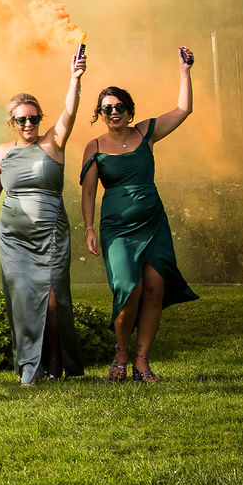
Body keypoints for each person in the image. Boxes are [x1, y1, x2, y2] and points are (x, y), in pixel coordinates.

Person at [0, 50, 87, 385]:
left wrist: (76, 78)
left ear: (40, 119)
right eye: (21, 120)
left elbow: (70, 112)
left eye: (33, 118)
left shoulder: (53, 143)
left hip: (50, 232)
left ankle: (56, 362)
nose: (28, 124)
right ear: (11, 123)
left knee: (54, 303)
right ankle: (31, 369)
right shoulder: (2, 152)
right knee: (23, 301)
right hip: (13, 236)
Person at [80, 50, 200, 383]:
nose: (113, 112)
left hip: (153, 223)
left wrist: (184, 71)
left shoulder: (146, 132)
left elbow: (183, 109)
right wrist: (89, 227)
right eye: (107, 108)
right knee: (128, 289)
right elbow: (89, 192)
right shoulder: (95, 147)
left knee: (154, 289)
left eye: (118, 106)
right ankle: (120, 353)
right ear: (101, 115)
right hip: (117, 228)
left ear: (129, 110)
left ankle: (142, 361)